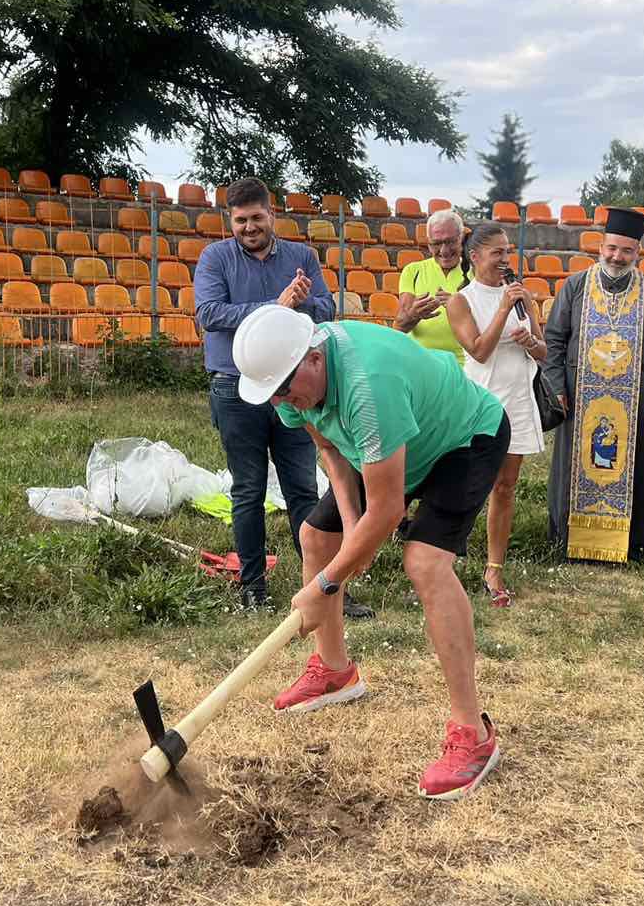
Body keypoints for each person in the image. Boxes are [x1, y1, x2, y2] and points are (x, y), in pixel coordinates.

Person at [232, 305, 511, 800]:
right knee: (317, 537)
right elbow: (334, 456)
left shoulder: (366, 386)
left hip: (463, 437)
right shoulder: (287, 384)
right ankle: (336, 672)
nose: (283, 403)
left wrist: (325, 586)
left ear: (314, 358)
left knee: (424, 561)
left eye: (286, 390)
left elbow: (387, 510)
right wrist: (348, 538)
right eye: (275, 395)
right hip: (391, 447)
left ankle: (473, 734)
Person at [193, 178, 368, 618]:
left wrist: (301, 304)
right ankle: (253, 587)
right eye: (240, 220)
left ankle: (326, 588)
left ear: (272, 215)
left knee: (303, 488)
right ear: (229, 221)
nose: (249, 226)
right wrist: (274, 305)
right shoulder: (215, 258)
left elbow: (327, 308)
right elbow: (209, 314)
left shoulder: (301, 257)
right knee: (248, 490)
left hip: (297, 388)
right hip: (235, 387)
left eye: (257, 217)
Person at [542, 208, 644, 563]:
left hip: (635, 401)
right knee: (574, 470)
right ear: (600, 246)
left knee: (636, 472)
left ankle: (635, 547)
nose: (617, 257)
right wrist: (555, 387)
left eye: (626, 251)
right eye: (612, 248)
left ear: (638, 253)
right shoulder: (575, 286)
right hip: (578, 398)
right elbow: (554, 340)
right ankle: (569, 544)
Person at [444, 224, 547, 606]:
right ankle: (443, 560)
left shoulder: (523, 296)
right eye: (497, 253)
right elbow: (479, 350)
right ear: (475, 256)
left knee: (505, 487)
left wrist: (531, 341)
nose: (506, 260)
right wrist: (503, 310)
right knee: (466, 485)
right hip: (481, 401)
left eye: (508, 252)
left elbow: (544, 352)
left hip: (518, 399)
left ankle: (494, 569)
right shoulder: (461, 301)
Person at [394, 210, 468, 359]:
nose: (444, 251)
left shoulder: (477, 273)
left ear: (461, 239)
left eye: (450, 241)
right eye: (436, 244)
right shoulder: (413, 271)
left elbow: (489, 326)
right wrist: (413, 315)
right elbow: (399, 327)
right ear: (428, 244)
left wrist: (458, 307)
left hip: (465, 366)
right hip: (421, 363)